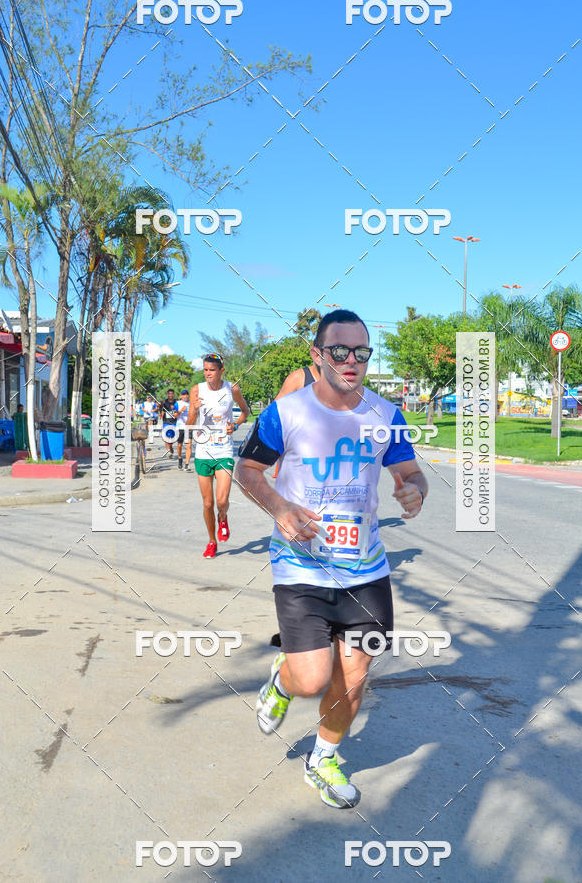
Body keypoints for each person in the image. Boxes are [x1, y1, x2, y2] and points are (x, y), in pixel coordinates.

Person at [235, 309, 427, 809]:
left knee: (355, 673)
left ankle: (323, 757)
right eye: (339, 351)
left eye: (361, 352)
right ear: (318, 355)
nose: (351, 361)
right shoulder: (286, 412)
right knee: (313, 678)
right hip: (301, 566)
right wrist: (280, 507)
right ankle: (284, 677)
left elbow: (410, 472)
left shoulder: (386, 415)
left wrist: (414, 491)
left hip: (366, 570)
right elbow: (248, 470)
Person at [187, 354, 250, 558]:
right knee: (207, 503)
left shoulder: (232, 389)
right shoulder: (197, 390)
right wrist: (194, 411)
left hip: (223, 451)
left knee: (221, 501)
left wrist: (236, 425)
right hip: (203, 452)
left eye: (212, 370)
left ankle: (223, 517)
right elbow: (188, 426)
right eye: (205, 370)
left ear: (221, 370)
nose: (208, 374)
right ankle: (212, 541)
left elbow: (245, 412)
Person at [174, 389, 192, 471]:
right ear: (181, 396)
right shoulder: (178, 403)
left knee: (189, 445)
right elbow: (174, 415)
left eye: (186, 394)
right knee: (179, 445)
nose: (185, 396)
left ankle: (187, 464)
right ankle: (180, 458)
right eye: (183, 394)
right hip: (180, 427)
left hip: (189, 427)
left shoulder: (192, 404)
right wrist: (181, 410)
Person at [161, 388, 178, 458]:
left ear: (173, 394)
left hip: (174, 422)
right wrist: (162, 414)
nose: (170, 395)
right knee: (166, 437)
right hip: (166, 422)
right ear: (167, 394)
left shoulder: (176, 402)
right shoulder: (164, 402)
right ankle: (169, 451)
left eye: (172, 393)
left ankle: (170, 447)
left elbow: (178, 411)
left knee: (172, 438)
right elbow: (162, 411)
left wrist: (174, 410)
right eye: (169, 393)